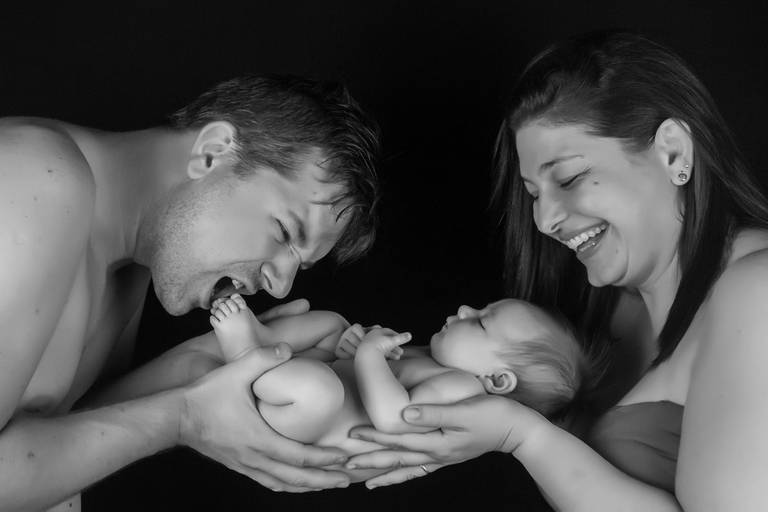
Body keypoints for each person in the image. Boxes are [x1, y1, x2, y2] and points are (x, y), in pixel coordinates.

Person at [342, 30, 768, 509]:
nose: (544, 221)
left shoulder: (757, 291)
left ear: (673, 152)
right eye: (533, 194)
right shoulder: (608, 302)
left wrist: (522, 436)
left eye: (568, 178)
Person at [0, 75, 380, 511]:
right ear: (211, 152)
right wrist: (185, 418)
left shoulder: (131, 264)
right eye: (285, 232)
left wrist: (204, 366)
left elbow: (60, 444)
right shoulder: (34, 179)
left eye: (301, 265)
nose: (281, 286)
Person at [186, 293, 600, 485]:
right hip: (306, 387)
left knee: (320, 390)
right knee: (332, 323)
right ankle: (262, 339)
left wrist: (368, 355)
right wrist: (353, 344)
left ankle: (245, 354)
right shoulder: (438, 362)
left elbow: (395, 418)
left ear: (496, 380)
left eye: (480, 321)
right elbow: (369, 373)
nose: (464, 309)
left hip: (305, 428)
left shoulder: (462, 391)